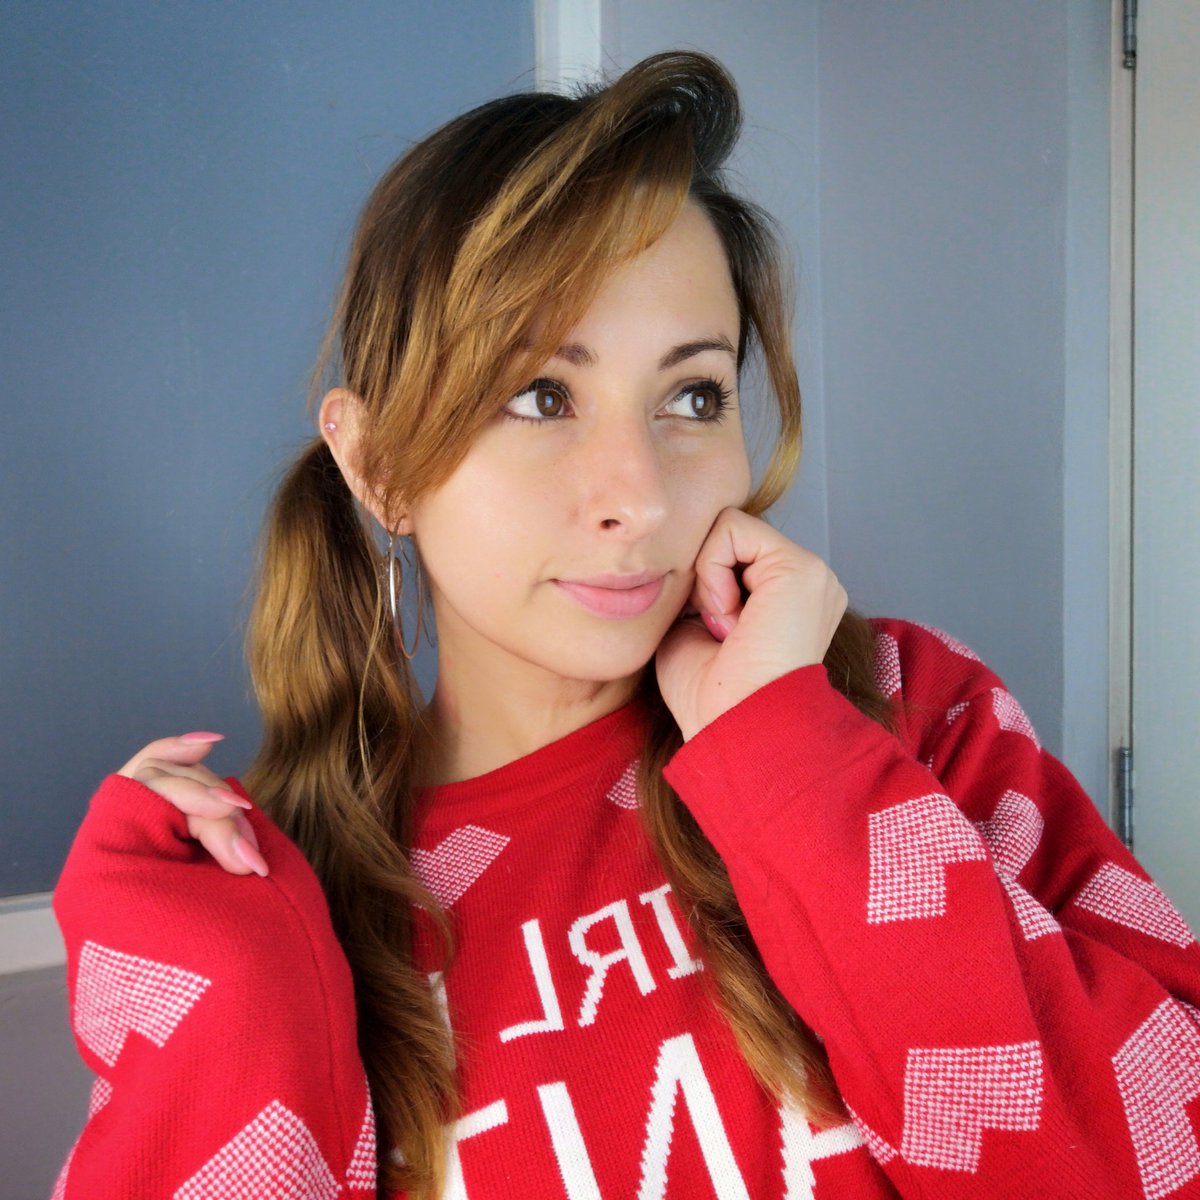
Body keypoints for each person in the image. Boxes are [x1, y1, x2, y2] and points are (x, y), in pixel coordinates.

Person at [52, 51, 1200, 1200]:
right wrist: (216, 985)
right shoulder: (297, 895)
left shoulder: (907, 710)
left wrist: (791, 759)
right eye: (540, 396)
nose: (641, 496)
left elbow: (1158, 1158)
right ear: (378, 465)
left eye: (692, 396)